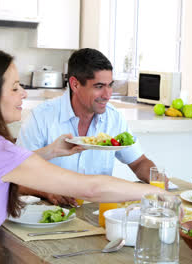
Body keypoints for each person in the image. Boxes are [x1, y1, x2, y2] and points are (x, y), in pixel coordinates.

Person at [0, 46, 167, 263]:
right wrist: (157, 192)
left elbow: (8, 170)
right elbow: (90, 189)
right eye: (15, 87)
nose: (24, 93)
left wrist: (51, 151)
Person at [17, 48, 167, 205]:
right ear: (75, 84)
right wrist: (46, 191)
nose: (107, 94)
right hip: (51, 213)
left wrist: (157, 180)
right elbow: (15, 176)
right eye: (99, 86)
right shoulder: (41, 117)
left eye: (110, 85)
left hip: (97, 211)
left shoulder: (114, 118)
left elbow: (139, 162)